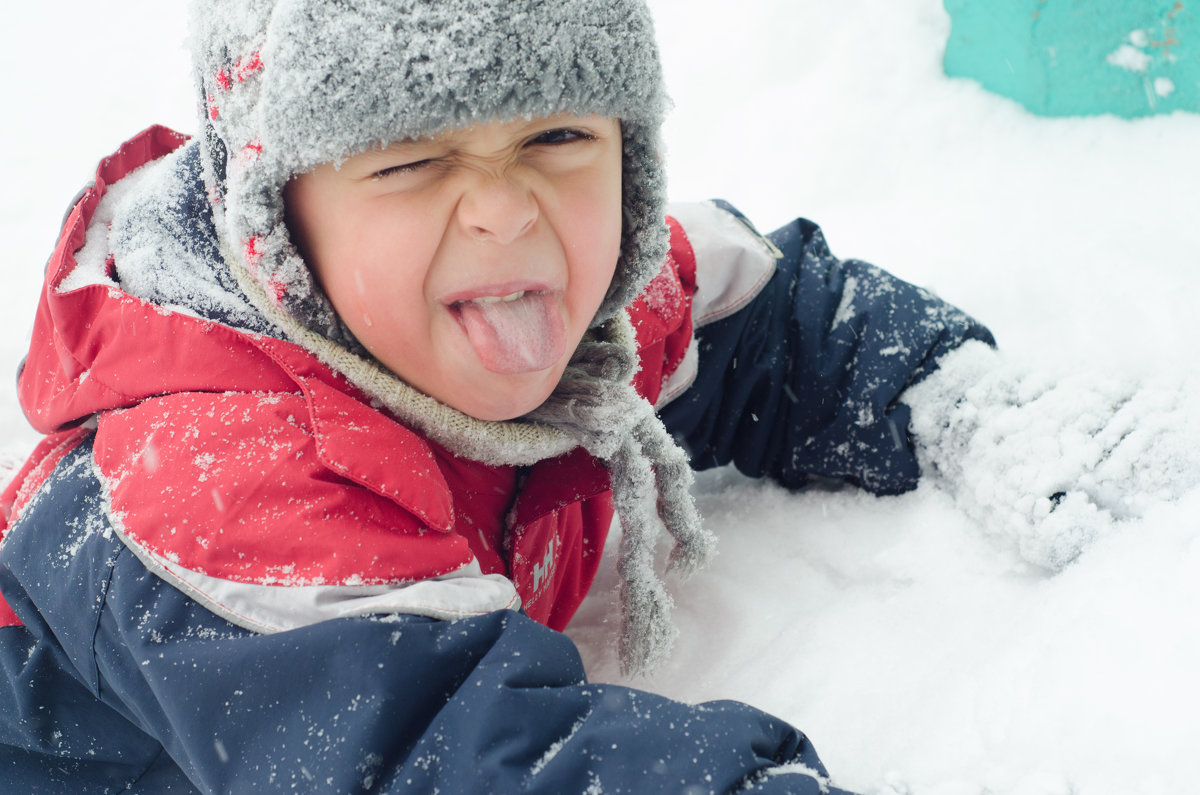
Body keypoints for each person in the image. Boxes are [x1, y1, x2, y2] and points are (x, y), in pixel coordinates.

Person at [2, 0, 1195, 792]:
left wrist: (960, 402)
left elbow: (776, 323)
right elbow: (447, 758)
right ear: (278, 229)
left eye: (561, 137)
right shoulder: (206, 490)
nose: (506, 210)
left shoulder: (575, 309)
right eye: (412, 162)